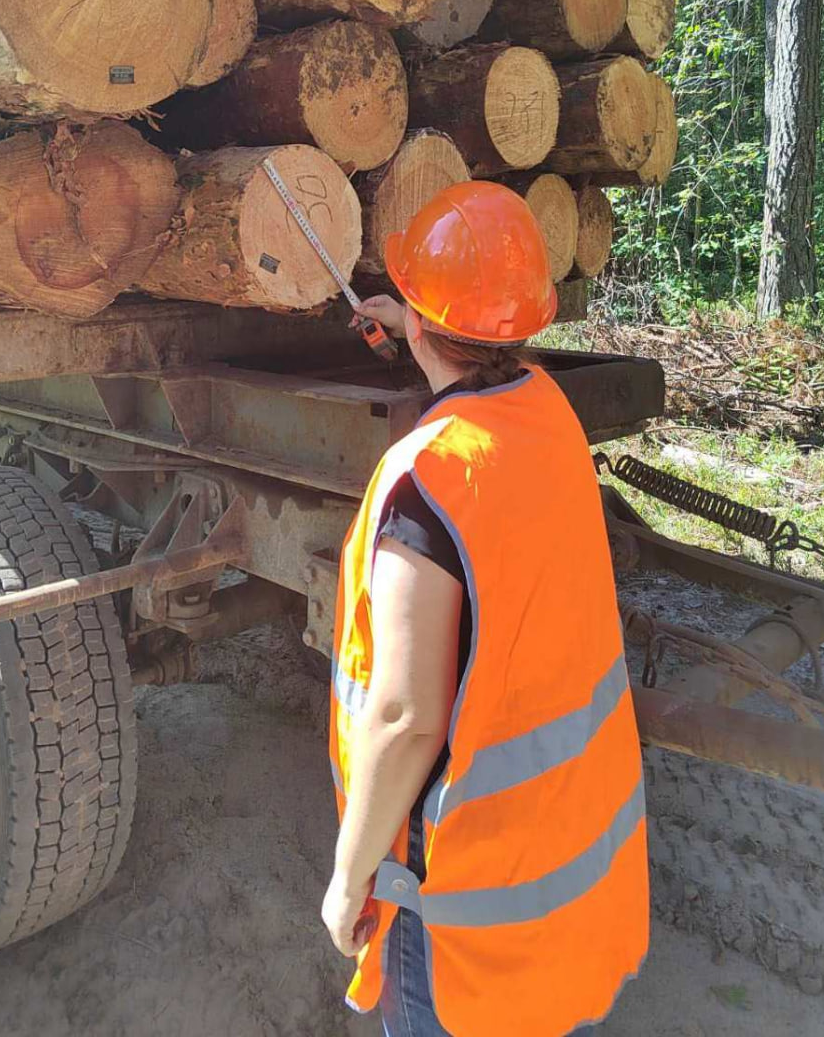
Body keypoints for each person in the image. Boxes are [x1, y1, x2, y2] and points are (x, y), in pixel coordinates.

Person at [321, 182, 649, 1037]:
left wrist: (349, 878)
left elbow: (403, 718)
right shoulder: (546, 413)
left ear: (419, 328)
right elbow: (476, 366)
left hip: (463, 912)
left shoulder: (427, 481)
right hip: (565, 880)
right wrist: (414, 319)